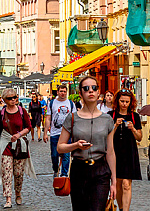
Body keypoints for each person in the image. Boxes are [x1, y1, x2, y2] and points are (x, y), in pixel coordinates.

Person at [57, 76, 116, 211]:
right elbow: (60, 147)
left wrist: (114, 181)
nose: (91, 91)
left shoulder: (107, 120)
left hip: (101, 170)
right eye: (86, 88)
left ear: (98, 92)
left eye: (94, 88)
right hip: (79, 169)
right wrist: (76, 145)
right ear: (80, 93)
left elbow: (111, 152)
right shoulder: (72, 118)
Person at [0, 88, 35, 208]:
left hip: (19, 145)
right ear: (5, 100)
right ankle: (8, 198)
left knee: (18, 173)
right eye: (10, 98)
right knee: (7, 173)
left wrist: (19, 134)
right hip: (6, 146)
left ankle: (18, 193)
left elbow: (28, 127)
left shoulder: (21, 111)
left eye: (15, 97)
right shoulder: (2, 114)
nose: (13, 100)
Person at [108, 89, 142, 211]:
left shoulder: (135, 116)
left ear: (131, 102)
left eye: (127, 102)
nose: (124, 104)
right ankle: (121, 207)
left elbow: (139, 137)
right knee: (117, 183)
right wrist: (115, 126)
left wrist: (133, 129)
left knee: (126, 184)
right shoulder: (110, 115)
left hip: (129, 152)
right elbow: (107, 136)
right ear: (117, 101)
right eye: (122, 101)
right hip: (115, 152)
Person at [44, 84, 74, 177]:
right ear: (57, 92)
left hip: (67, 134)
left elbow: (74, 119)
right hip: (55, 133)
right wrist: (45, 133)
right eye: (61, 91)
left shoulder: (70, 103)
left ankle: (64, 174)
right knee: (54, 155)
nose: (63, 93)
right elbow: (48, 118)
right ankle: (55, 169)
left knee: (66, 155)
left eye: (64, 91)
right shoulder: (52, 103)